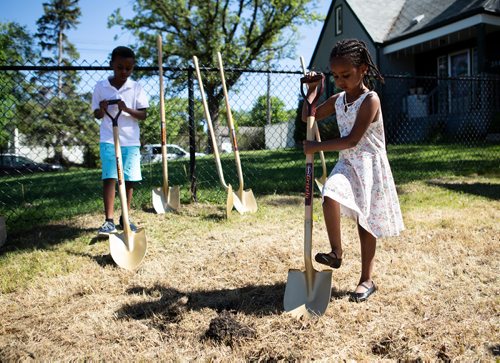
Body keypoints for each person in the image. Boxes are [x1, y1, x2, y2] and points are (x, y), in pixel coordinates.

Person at [302, 39, 404, 302]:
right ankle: (336, 253)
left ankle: (366, 280)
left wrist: (317, 146)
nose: (340, 81)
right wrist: (313, 91)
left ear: (363, 70)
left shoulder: (371, 100)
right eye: (335, 76)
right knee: (329, 194)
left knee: (365, 221)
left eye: (346, 75)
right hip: (348, 164)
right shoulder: (337, 100)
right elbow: (308, 116)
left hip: (369, 166)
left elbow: (352, 140)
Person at [92, 46, 149, 237]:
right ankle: (109, 221)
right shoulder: (101, 87)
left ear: (132, 68)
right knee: (110, 176)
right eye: (119, 67)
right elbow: (97, 114)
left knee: (129, 178)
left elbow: (143, 114)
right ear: (112, 65)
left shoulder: (136, 88)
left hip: (130, 140)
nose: (124, 72)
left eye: (128, 68)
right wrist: (102, 109)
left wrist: (126, 109)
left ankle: (125, 217)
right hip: (109, 137)